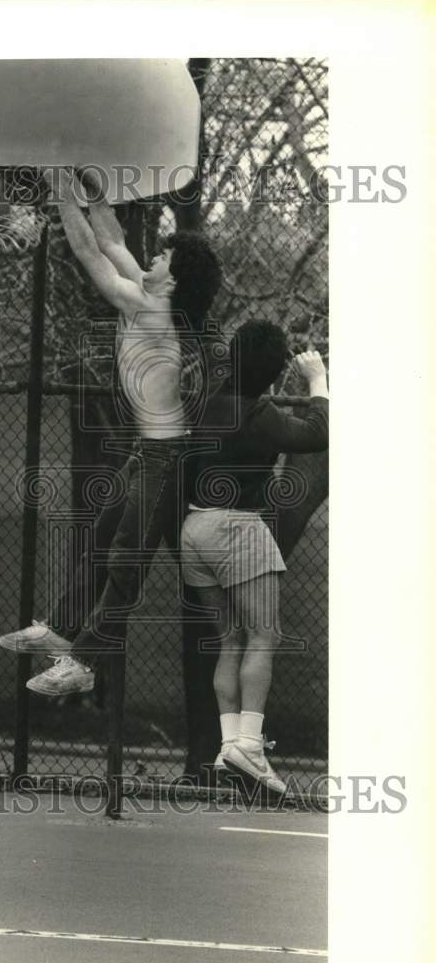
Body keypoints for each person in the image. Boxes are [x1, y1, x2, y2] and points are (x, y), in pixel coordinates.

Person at [0, 165, 222, 696]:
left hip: (167, 459)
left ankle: (85, 663)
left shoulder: (151, 308)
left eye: (164, 256)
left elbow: (91, 255)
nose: (154, 258)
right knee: (102, 542)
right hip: (149, 453)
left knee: (125, 561)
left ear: (174, 277)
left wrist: (60, 192)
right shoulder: (153, 291)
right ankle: (60, 629)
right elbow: (114, 239)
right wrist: (91, 192)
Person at [180, 322, 329, 792]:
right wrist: (318, 380)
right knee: (265, 634)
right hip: (237, 528)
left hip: (195, 528)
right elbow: (316, 434)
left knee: (230, 639)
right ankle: (249, 745)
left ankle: (229, 747)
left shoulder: (206, 403)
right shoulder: (259, 412)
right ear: (274, 370)